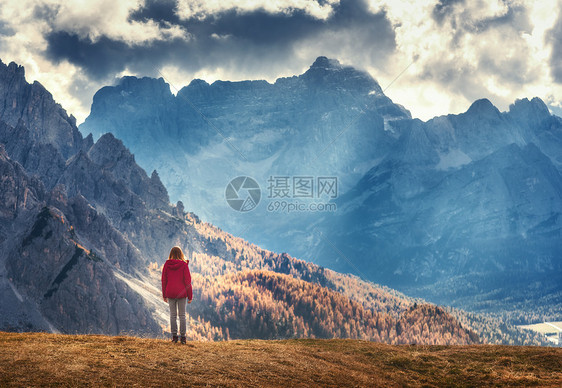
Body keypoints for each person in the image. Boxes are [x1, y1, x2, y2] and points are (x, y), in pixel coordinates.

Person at [161, 246, 193, 344]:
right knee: (182, 315)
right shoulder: (184, 265)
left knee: (173, 315)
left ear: (171, 254)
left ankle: (174, 337)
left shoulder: (167, 264)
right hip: (181, 293)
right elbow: (188, 281)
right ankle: (183, 338)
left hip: (170, 293)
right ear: (181, 254)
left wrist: (164, 295)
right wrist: (190, 296)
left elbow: (164, 280)